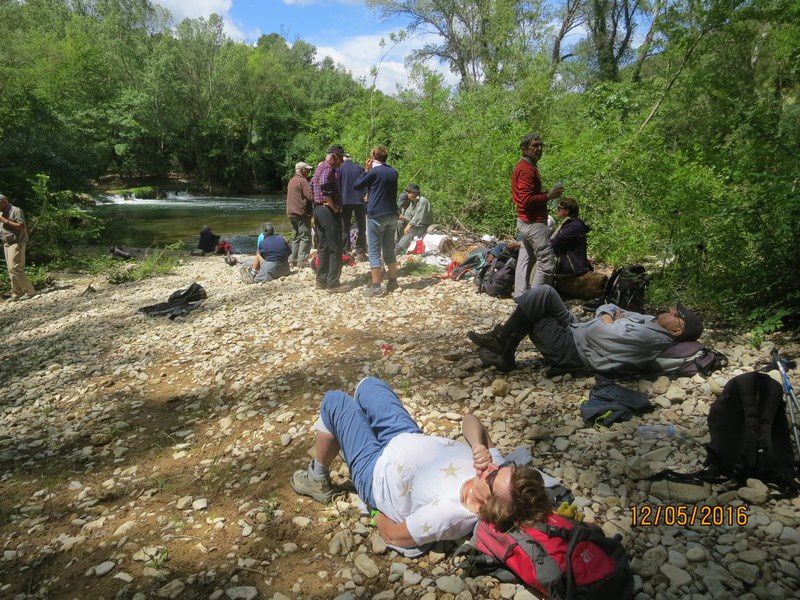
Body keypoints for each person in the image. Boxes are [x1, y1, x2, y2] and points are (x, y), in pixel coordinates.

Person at [291, 377, 551, 551]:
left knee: (336, 401)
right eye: (506, 467)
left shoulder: (447, 516)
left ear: (491, 504)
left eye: (494, 477)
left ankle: (317, 477)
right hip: (405, 436)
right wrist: (477, 445)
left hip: (377, 473)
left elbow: (394, 535)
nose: (493, 468)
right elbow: (470, 419)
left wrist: (375, 512)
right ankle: (356, 432)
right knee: (369, 386)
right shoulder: (493, 470)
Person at [467, 285, 703, 373]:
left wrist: (611, 318)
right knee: (544, 293)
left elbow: (600, 332)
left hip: (574, 348)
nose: (671, 311)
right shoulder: (648, 319)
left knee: (535, 314)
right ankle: (503, 348)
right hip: (579, 328)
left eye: (677, 316)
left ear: (676, 332)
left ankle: (504, 347)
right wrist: (610, 316)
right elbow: (609, 306)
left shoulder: (648, 337)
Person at [512, 134, 563, 299]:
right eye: (535, 146)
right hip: (533, 222)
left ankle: (521, 296)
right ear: (525, 149)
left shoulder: (526, 166)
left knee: (525, 258)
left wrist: (543, 194)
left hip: (524, 221)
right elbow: (526, 200)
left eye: (541, 145)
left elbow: (525, 196)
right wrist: (548, 196)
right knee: (547, 263)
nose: (539, 149)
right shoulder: (526, 170)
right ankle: (535, 302)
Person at [354, 146, 399, 297]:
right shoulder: (393, 172)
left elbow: (357, 185)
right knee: (389, 248)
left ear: (373, 156)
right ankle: (393, 282)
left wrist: (366, 169)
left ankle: (376, 287)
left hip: (376, 214)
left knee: (373, 250)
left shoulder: (373, 172)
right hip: (392, 214)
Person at [310, 145, 345, 290]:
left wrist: (319, 201)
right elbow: (324, 183)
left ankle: (321, 280)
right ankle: (333, 283)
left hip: (318, 210)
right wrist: (332, 204)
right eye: (341, 157)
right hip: (327, 211)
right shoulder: (328, 168)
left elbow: (312, 185)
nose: (342, 161)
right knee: (335, 247)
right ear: (335, 156)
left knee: (323, 247)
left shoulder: (319, 167)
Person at [0, 194, 36, 301]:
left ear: (3, 202)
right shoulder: (1, 212)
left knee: (15, 267)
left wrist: (4, 221)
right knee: (10, 269)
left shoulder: (16, 211)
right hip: (6, 243)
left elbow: (21, 226)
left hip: (17, 242)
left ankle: (30, 292)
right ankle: (17, 293)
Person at [550, 197, 591, 277]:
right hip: (574, 266)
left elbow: (555, 243)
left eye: (559, 208)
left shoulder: (573, 226)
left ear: (567, 211)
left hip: (574, 268)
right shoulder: (573, 223)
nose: (556, 210)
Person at [338, 155, 368, 260]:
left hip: (345, 201)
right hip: (359, 200)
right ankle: (361, 251)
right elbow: (365, 182)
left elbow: (337, 185)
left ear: (343, 159)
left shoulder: (340, 168)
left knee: (345, 226)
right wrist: (365, 194)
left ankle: (345, 250)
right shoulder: (360, 168)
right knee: (361, 226)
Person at [286, 161, 314, 268]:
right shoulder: (303, 181)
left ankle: (294, 259)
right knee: (305, 237)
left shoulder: (291, 180)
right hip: (301, 213)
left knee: (296, 236)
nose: (308, 172)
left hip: (291, 213)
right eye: (307, 170)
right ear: (301, 170)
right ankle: (302, 260)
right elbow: (310, 196)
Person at [395, 183, 432, 255]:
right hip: (415, 224)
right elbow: (409, 215)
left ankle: (398, 249)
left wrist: (409, 224)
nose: (407, 194)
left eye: (409, 193)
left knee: (411, 229)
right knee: (399, 223)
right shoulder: (412, 202)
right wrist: (404, 218)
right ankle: (397, 243)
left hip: (423, 226)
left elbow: (418, 217)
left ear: (414, 193)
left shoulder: (422, 201)